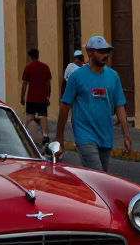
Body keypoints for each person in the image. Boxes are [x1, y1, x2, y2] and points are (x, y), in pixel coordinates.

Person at [55, 35, 131, 172]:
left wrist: (126, 135)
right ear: (89, 52)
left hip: (106, 136)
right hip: (85, 136)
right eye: (101, 51)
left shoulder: (113, 76)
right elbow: (65, 107)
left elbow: (120, 106)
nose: (105, 55)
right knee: (97, 173)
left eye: (107, 51)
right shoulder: (76, 77)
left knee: (101, 179)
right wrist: (59, 138)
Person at [20, 47, 52, 144]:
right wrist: (48, 95)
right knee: (42, 116)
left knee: (29, 116)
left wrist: (22, 97)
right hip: (42, 98)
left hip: (31, 98)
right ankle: (45, 135)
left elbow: (24, 84)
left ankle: (23, 133)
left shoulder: (28, 67)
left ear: (30, 57)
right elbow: (48, 84)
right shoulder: (45, 67)